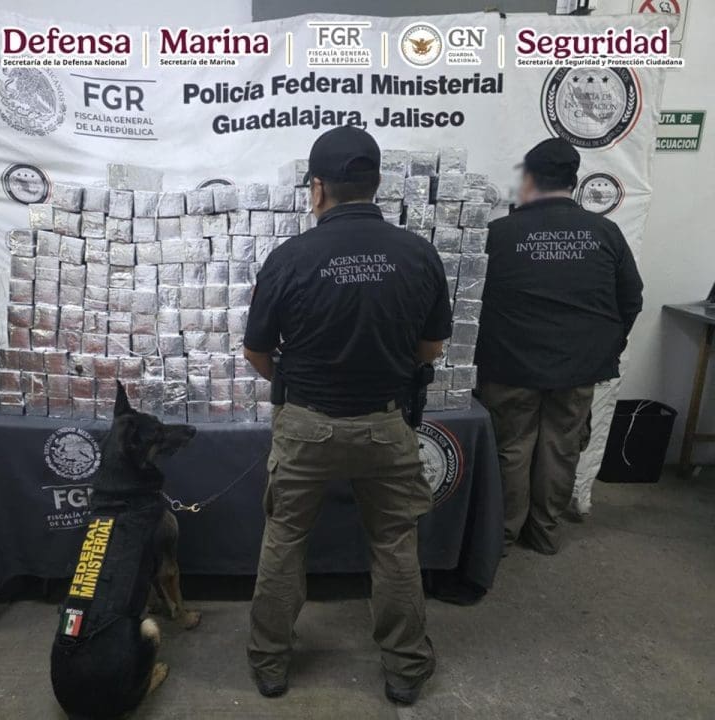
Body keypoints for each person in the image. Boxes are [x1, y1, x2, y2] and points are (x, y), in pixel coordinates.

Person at [242, 126, 452, 706]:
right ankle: (405, 670)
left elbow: (256, 352)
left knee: (285, 539)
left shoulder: (289, 258)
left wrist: (298, 383)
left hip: (305, 425)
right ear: (377, 183)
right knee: (394, 543)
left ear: (317, 188)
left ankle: (269, 664)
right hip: (386, 423)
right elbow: (431, 348)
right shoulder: (417, 254)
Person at [475, 137, 643, 556]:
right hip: (577, 366)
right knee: (561, 448)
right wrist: (604, 347)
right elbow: (631, 299)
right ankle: (545, 532)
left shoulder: (499, 234)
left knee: (511, 448)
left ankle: (503, 535)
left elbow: (471, 300)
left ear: (529, 179)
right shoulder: (605, 232)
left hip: (510, 363)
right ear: (574, 181)